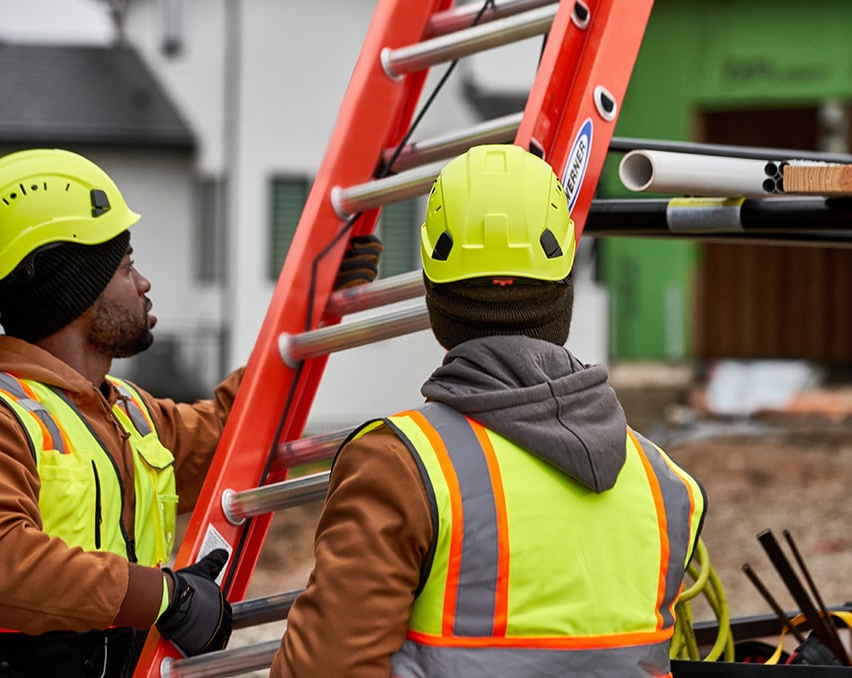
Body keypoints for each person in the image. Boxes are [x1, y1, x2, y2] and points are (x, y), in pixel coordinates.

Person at [270, 144, 707, 677]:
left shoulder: (399, 466)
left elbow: (323, 671)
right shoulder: (668, 487)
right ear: (563, 281)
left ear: (434, 293)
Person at [0, 148, 380, 677]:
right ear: (76, 291)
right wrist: (164, 598)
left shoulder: (126, 412)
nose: (144, 283)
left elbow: (234, 431)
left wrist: (314, 313)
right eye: (126, 266)